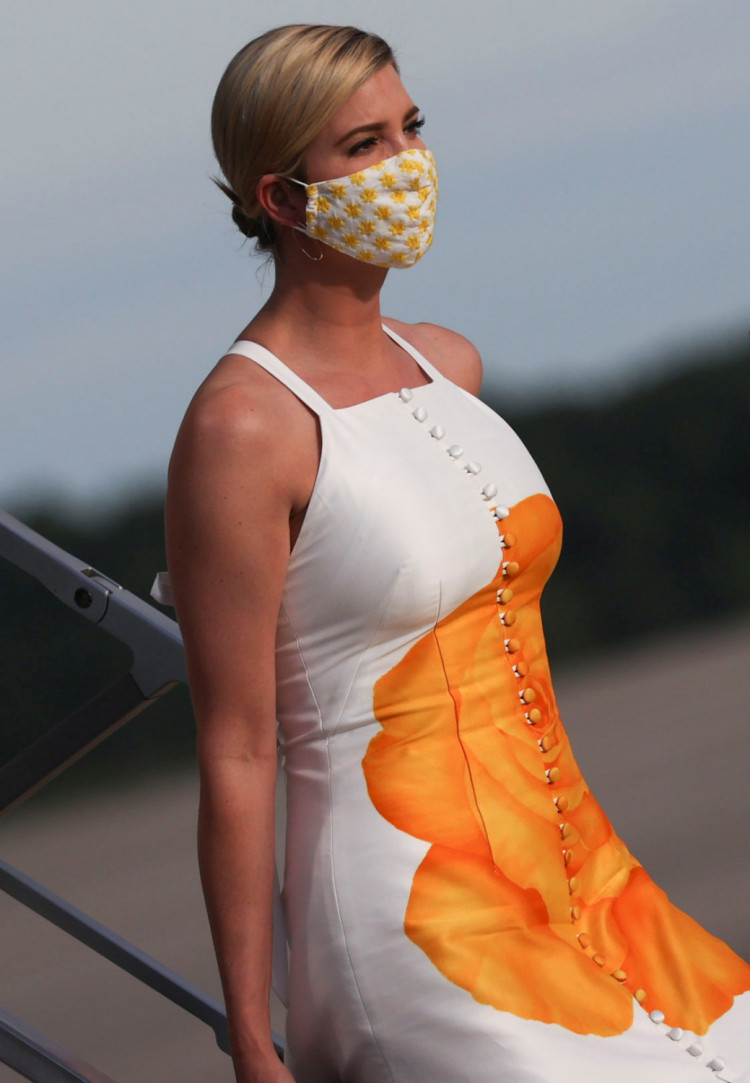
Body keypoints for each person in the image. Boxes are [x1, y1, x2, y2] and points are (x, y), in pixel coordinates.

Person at [162, 23, 750, 1083]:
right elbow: (239, 749)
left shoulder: (449, 366)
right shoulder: (244, 428)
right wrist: (251, 1033)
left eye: (411, 129)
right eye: (365, 146)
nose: (408, 166)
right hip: (411, 919)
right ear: (283, 199)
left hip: (588, 882)